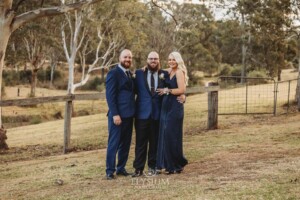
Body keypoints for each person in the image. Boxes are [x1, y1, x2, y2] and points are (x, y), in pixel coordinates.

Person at [132, 51, 169, 177]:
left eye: (155, 59)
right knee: (140, 143)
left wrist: (182, 95)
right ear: (147, 60)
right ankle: (138, 169)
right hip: (141, 114)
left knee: (154, 143)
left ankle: (152, 167)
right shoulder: (138, 73)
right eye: (151, 59)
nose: (153, 61)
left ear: (159, 60)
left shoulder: (164, 74)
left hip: (157, 114)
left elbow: (174, 86)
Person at [156, 51, 189, 174]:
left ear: (178, 60)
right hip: (166, 106)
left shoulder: (179, 72)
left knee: (172, 135)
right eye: (169, 59)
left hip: (175, 106)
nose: (171, 62)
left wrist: (167, 90)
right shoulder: (167, 72)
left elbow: (182, 89)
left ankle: (175, 165)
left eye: (173, 60)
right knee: (166, 134)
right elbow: (156, 69)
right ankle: (169, 164)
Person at [105, 49, 135, 180]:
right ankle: (109, 171)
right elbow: (110, 96)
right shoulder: (113, 73)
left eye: (129, 57)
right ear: (119, 58)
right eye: (125, 57)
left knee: (125, 143)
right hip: (117, 115)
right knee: (114, 143)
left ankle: (121, 168)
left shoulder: (129, 74)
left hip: (129, 115)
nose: (127, 59)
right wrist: (115, 114)